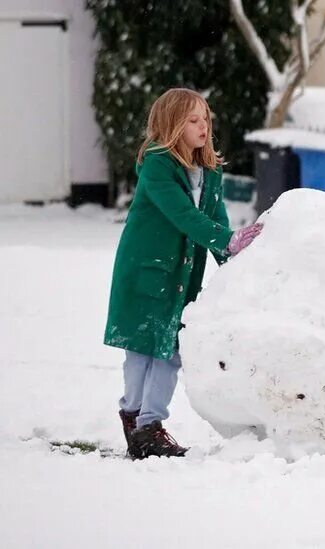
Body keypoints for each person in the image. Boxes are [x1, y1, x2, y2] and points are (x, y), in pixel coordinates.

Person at [104, 88, 263, 459]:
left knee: (171, 350)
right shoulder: (158, 165)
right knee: (143, 349)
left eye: (205, 118)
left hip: (182, 275)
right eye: (193, 120)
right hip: (147, 271)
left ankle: (149, 424)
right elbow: (183, 215)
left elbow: (215, 218)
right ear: (171, 125)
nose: (203, 126)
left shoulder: (209, 170)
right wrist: (227, 239)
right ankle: (136, 419)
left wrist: (234, 261)